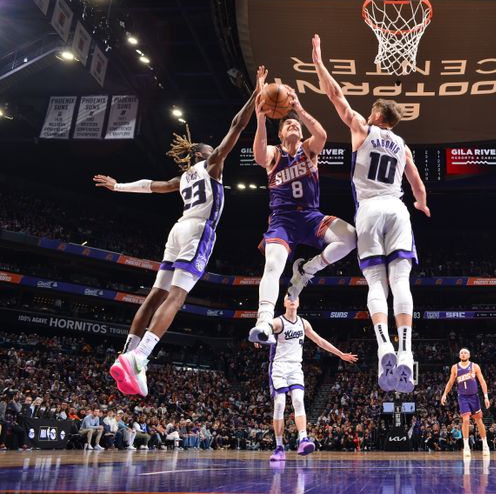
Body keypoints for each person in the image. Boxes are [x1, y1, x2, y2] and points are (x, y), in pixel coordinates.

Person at [94, 67, 263, 397]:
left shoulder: (183, 178)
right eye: (211, 148)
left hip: (178, 230)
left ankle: (127, 351)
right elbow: (236, 126)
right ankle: (140, 358)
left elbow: (151, 187)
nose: (216, 149)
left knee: (155, 294)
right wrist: (255, 95)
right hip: (199, 231)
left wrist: (118, 187)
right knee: (177, 296)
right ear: (204, 154)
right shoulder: (212, 164)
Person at [312, 34, 430, 393]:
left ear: (377, 115)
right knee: (401, 283)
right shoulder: (403, 145)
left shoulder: (362, 129)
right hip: (397, 209)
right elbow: (418, 185)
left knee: (376, 284)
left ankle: (384, 348)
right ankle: (407, 353)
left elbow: (335, 96)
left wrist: (318, 60)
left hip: (368, 211)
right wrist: (422, 204)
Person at [248, 71, 357, 344]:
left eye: (296, 125)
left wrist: (299, 108)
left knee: (350, 237)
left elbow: (322, 134)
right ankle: (263, 321)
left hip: (311, 215)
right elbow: (259, 157)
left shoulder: (309, 149)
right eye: (289, 125)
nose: (294, 127)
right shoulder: (274, 153)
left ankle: (308, 270)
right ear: (281, 131)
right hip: (282, 220)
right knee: (273, 264)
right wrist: (261, 118)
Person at [256, 295, 357, 461]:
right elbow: (264, 326)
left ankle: (303, 439)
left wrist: (340, 354)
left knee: (298, 401)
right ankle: (279, 447)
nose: (292, 299)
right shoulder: (278, 322)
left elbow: (320, 341)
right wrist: (259, 333)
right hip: (278, 367)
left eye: (295, 297)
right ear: (284, 303)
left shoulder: (304, 323)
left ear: (299, 302)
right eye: (288, 297)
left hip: (296, 367)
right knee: (280, 404)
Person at [440, 348, 491, 457]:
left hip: (474, 396)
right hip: (463, 397)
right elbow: (450, 382)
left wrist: (486, 397)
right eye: (461, 353)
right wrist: (444, 394)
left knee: (478, 420)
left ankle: (485, 444)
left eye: (465, 353)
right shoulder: (455, 367)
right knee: (466, 419)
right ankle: (466, 446)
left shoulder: (475, 366)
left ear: (469, 355)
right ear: (459, 356)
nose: (463, 354)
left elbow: (482, 381)